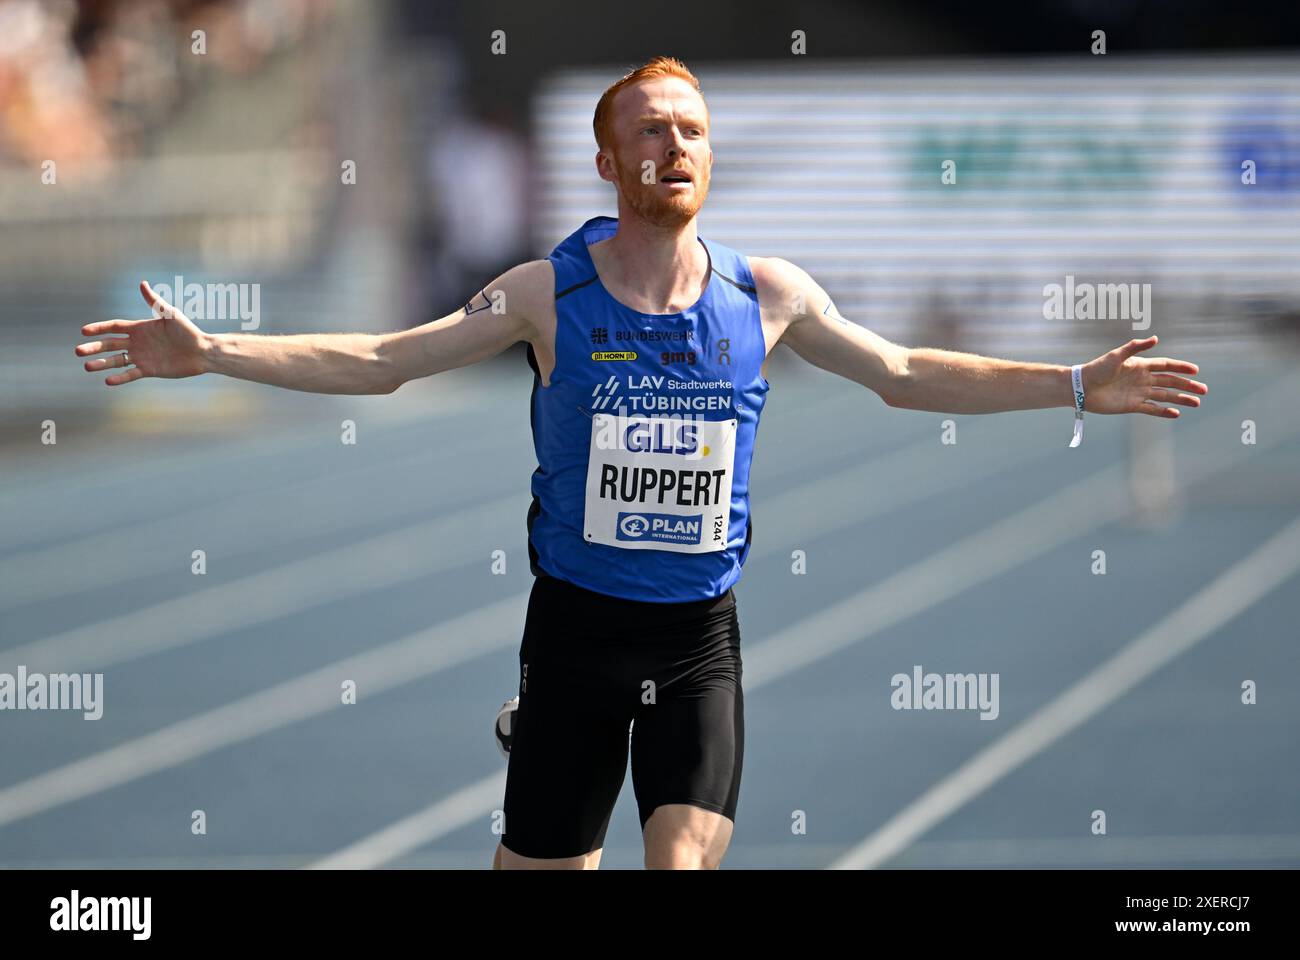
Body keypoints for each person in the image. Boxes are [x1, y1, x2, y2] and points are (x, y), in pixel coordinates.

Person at [75, 56, 1208, 871]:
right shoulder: (543, 295)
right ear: (609, 157)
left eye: (694, 131)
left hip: (697, 641)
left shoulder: (765, 296)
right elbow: (379, 359)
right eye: (654, 131)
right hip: (573, 637)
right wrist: (212, 350)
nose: (676, 147)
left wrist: (1072, 385)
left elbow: (905, 370)